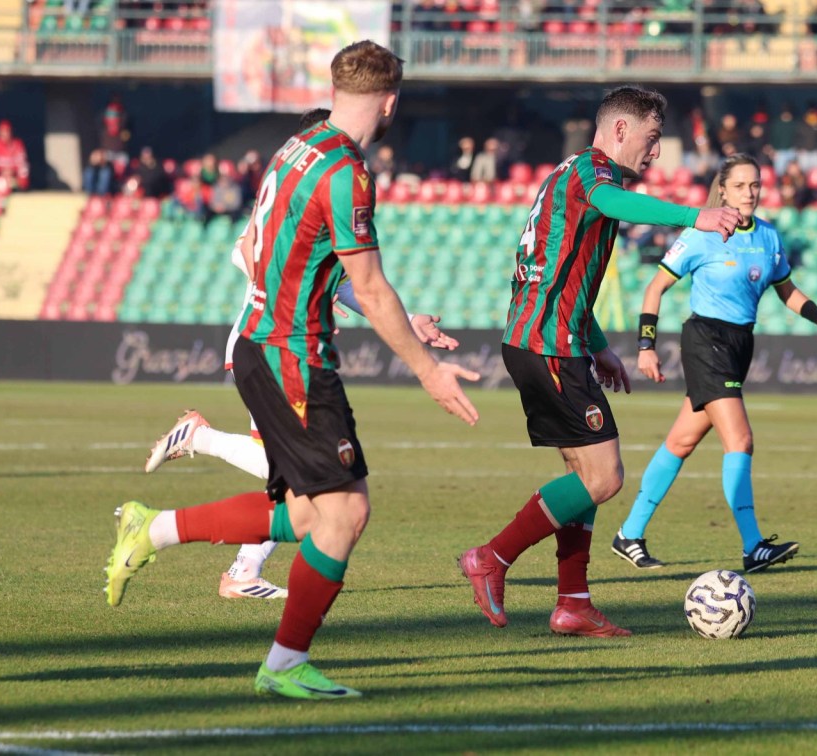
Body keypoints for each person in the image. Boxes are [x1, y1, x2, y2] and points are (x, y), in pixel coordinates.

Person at [103, 40, 480, 701]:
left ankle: (153, 528)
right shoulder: (348, 170)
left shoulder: (294, 149)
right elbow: (368, 281)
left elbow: (282, 256)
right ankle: (284, 664)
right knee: (345, 513)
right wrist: (426, 370)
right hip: (291, 354)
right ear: (392, 101)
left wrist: (406, 320)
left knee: (308, 515)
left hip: (261, 343)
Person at [457, 85, 742, 638]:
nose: (655, 152)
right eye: (652, 139)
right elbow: (613, 205)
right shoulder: (593, 175)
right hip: (549, 346)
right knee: (606, 477)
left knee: (584, 476)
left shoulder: (572, 176)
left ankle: (573, 603)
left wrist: (600, 343)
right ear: (619, 131)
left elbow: (566, 272)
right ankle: (492, 557)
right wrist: (694, 216)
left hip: (551, 340)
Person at [611, 153, 817, 572]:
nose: (749, 193)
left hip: (740, 344)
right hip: (706, 340)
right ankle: (753, 545)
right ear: (723, 189)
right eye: (740, 186)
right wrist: (645, 346)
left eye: (755, 185)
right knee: (740, 440)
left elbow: (786, 289)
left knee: (682, 442)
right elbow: (654, 288)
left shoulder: (769, 236)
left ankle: (629, 533)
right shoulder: (701, 234)